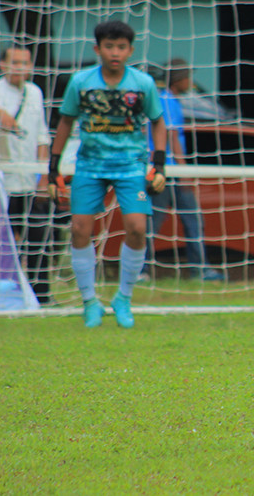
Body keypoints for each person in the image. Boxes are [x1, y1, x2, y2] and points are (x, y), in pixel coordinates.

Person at [47, 20, 166, 328]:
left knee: (137, 228)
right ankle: (89, 302)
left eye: (122, 47)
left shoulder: (143, 83)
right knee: (79, 229)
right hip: (90, 165)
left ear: (130, 50)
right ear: (97, 49)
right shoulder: (81, 82)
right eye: (109, 46)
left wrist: (160, 165)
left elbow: (157, 121)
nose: (115, 52)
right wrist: (52, 170)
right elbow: (65, 122)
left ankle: (123, 298)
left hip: (130, 166)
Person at [144, 60, 222, 281]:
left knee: (192, 219)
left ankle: (200, 269)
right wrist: (184, 169)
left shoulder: (169, 99)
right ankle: (141, 270)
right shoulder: (166, 100)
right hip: (165, 170)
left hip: (168, 169)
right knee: (154, 220)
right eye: (188, 76)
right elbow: (169, 136)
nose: (191, 81)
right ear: (179, 80)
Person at [0, 45, 54, 304]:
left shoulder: (35, 92)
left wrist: (44, 176)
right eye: (15, 62)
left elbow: (42, 135)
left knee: (38, 237)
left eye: (25, 63)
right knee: (5, 240)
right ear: (3, 65)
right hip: (4, 181)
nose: (21, 68)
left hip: (30, 179)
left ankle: (41, 295)